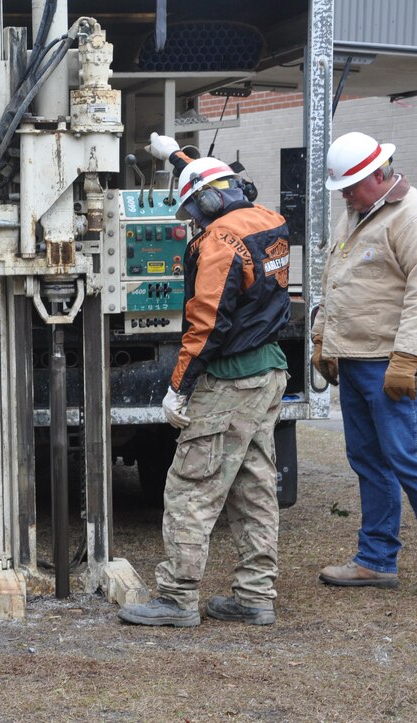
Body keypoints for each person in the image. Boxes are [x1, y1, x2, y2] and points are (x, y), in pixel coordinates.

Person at [118, 133, 291, 627]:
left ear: (210, 202)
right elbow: (213, 180)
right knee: (254, 487)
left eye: (193, 211)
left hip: (230, 380)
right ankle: (256, 596)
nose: (193, 221)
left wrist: (179, 388)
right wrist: (178, 155)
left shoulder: (218, 242)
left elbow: (206, 324)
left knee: (191, 487)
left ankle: (175, 599)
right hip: (268, 371)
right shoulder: (269, 219)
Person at [313, 131, 417, 598]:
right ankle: (376, 559)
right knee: (368, 460)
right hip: (357, 359)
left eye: (351, 183)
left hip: (392, 362)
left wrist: (407, 358)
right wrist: (325, 335)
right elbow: (336, 279)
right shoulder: (357, 213)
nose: (344, 192)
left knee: (408, 458)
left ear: (379, 174)